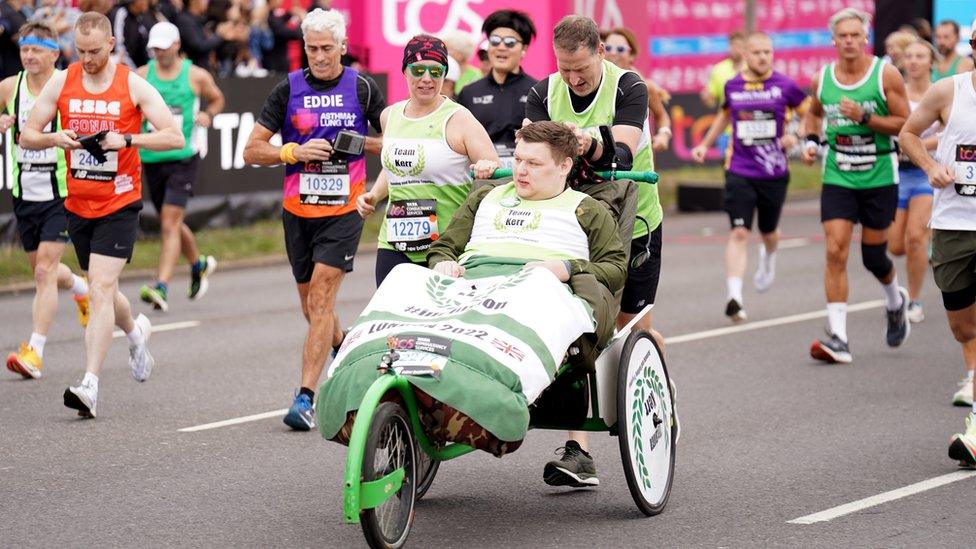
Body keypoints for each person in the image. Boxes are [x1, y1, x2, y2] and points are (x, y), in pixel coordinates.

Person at [428, 121, 627, 485]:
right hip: (474, 289)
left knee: (535, 292)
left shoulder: (587, 210)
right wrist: (443, 262)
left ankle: (502, 406)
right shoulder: (486, 198)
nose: (520, 169)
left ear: (564, 165)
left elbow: (614, 269)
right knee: (405, 282)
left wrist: (567, 268)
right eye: (518, 159)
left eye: (533, 163)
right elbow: (444, 246)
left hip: (540, 292)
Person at [20, 11, 185, 418]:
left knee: (99, 288)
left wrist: (126, 139)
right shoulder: (63, 79)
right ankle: (135, 332)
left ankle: (89, 384)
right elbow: (27, 133)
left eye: (95, 51)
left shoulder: (133, 84)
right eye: (80, 50)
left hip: (120, 203)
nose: (88, 58)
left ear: (111, 44)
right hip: (78, 202)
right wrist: (53, 138)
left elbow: (173, 135)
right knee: (103, 289)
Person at [524, 14, 656, 487]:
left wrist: (586, 142)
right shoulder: (542, 93)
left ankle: (654, 398)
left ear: (601, 52)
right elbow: (531, 152)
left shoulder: (629, 87)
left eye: (581, 68)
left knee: (632, 326)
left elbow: (623, 150)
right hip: (568, 221)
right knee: (586, 321)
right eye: (565, 68)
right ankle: (579, 450)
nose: (573, 78)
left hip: (633, 216)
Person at [243, 8, 386, 431]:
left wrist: (358, 142)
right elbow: (252, 151)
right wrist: (293, 152)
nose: (319, 56)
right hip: (298, 212)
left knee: (322, 297)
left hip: (344, 210)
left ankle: (305, 397)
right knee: (311, 306)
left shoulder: (361, 88)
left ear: (343, 47)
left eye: (327, 48)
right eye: (312, 48)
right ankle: (342, 344)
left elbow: (395, 142)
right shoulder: (288, 89)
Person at [799, 8, 910, 364]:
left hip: (878, 173)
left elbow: (906, 123)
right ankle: (839, 338)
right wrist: (811, 140)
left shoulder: (884, 74)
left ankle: (895, 301)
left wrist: (865, 117)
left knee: (874, 256)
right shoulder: (824, 78)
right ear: (834, 40)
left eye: (855, 35)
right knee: (835, 250)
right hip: (838, 175)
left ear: (865, 38)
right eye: (842, 35)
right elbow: (813, 113)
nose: (848, 41)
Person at [355, 34, 498, 286]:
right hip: (394, 241)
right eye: (418, 69)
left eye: (435, 71)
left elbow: (495, 171)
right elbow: (395, 169)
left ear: (445, 74)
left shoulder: (459, 119)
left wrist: (488, 168)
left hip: (447, 246)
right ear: (405, 71)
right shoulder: (390, 115)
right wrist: (374, 195)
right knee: (392, 320)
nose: (426, 79)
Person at [899, 27, 976, 465]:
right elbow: (908, 134)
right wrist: (930, 165)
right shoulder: (950, 91)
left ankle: (975, 430)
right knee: (964, 328)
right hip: (953, 225)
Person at [691, 32, 807, 322]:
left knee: (768, 233)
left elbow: (811, 115)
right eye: (757, 52)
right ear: (745, 55)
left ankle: (768, 258)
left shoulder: (785, 86)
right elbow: (723, 116)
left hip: (774, 172)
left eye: (768, 52)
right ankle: (735, 297)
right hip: (739, 169)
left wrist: (795, 134)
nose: (763, 57)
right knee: (739, 232)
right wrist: (705, 144)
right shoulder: (733, 85)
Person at [2, 22, 90, 380]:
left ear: (55, 53)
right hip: (24, 193)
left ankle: (34, 352)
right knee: (44, 272)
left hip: (60, 193)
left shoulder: (68, 87)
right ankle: (82, 290)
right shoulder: (10, 86)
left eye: (36, 49)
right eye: (24, 49)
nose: (29, 56)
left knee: (43, 272)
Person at [137, 22, 224, 312]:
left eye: (164, 46)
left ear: (176, 46)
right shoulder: (141, 75)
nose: (159, 52)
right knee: (170, 221)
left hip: (184, 155)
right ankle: (197, 264)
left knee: (168, 223)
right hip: (152, 156)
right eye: (155, 48)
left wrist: (207, 115)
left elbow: (217, 98)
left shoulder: (195, 75)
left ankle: (161, 286)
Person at [888, 40, 940, 325]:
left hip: (926, 172)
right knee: (895, 246)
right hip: (896, 174)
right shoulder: (896, 94)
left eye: (921, 56)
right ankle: (925, 247)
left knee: (914, 237)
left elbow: (947, 133)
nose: (915, 61)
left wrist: (914, 144)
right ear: (903, 62)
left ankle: (915, 300)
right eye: (909, 56)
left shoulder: (941, 92)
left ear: (931, 61)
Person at [458, 9, 538, 169]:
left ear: (524, 49)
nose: (501, 47)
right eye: (494, 41)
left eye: (510, 43)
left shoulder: (538, 91)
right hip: (482, 177)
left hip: (526, 175)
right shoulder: (469, 93)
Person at [601, 27, 672, 152]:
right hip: (605, 164)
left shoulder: (644, 87)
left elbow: (662, 116)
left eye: (620, 49)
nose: (613, 53)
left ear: (631, 55)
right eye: (608, 48)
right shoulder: (594, 85)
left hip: (639, 165)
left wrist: (663, 135)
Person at [700, 31, 745, 110]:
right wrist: (707, 99)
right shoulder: (718, 69)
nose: (735, 49)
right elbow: (711, 103)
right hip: (726, 120)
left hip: (748, 120)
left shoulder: (752, 68)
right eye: (732, 44)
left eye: (738, 45)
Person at [442, 30, 482, 95]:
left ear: (459, 55)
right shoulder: (440, 72)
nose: (441, 53)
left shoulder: (477, 77)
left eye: (445, 49)